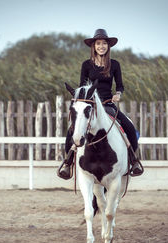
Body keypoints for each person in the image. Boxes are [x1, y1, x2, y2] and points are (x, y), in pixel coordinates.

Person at [57, 29, 143, 179]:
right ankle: (68, 162)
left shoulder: (115, 64)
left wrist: (118, 94)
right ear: (93, 46)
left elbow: (120, 85)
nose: (101, 46)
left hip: (107, 104)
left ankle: (133, 160)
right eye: (98, 43)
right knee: (72, 130)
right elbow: (82, 86)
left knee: (128, 127)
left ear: (108, 46)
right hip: (90, 105)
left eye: (104, 43)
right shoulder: (86, 65)